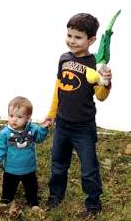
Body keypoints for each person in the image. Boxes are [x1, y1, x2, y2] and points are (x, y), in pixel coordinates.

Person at [43, 13, 112, 217]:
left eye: (78, 37)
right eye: (69, 35)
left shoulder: (96, 65)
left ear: (91, 40)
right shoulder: (64, 58)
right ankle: (56, 196)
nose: (72, 40)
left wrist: (105, 81)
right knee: (58, 164)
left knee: (89, 168)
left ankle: (93, 204)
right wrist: (51, 114)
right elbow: (59, 88)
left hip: (83, 127)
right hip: (63, 124)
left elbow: (100, 97)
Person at [0, 96, 49, 207]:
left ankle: (33, 203)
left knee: (31, 187)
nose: (14, 119)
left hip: (29, 168)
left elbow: (39, 138)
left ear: (28, 118)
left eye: (19, 117)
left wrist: (43, 128)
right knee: (8, 186)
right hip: (11, 169)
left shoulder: (32, 129)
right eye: (11, 116)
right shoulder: (4, 133)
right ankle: (6, 200)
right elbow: (0, 148)